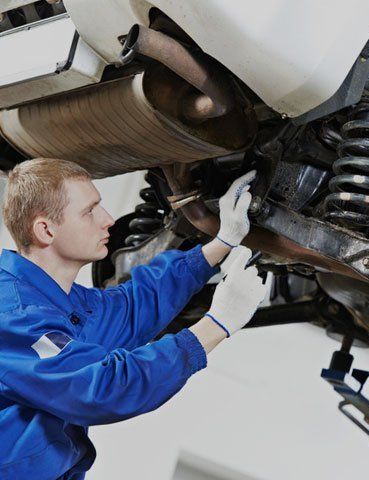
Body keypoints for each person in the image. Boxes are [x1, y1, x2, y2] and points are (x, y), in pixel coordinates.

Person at [0, 158, 268, 480]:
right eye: (89, 211)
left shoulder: (61, 303)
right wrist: (217, 323)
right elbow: (102, 387)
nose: (108, 220)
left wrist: (221, 242)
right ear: (46, 229)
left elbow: (133, 307)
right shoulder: (12, 314)